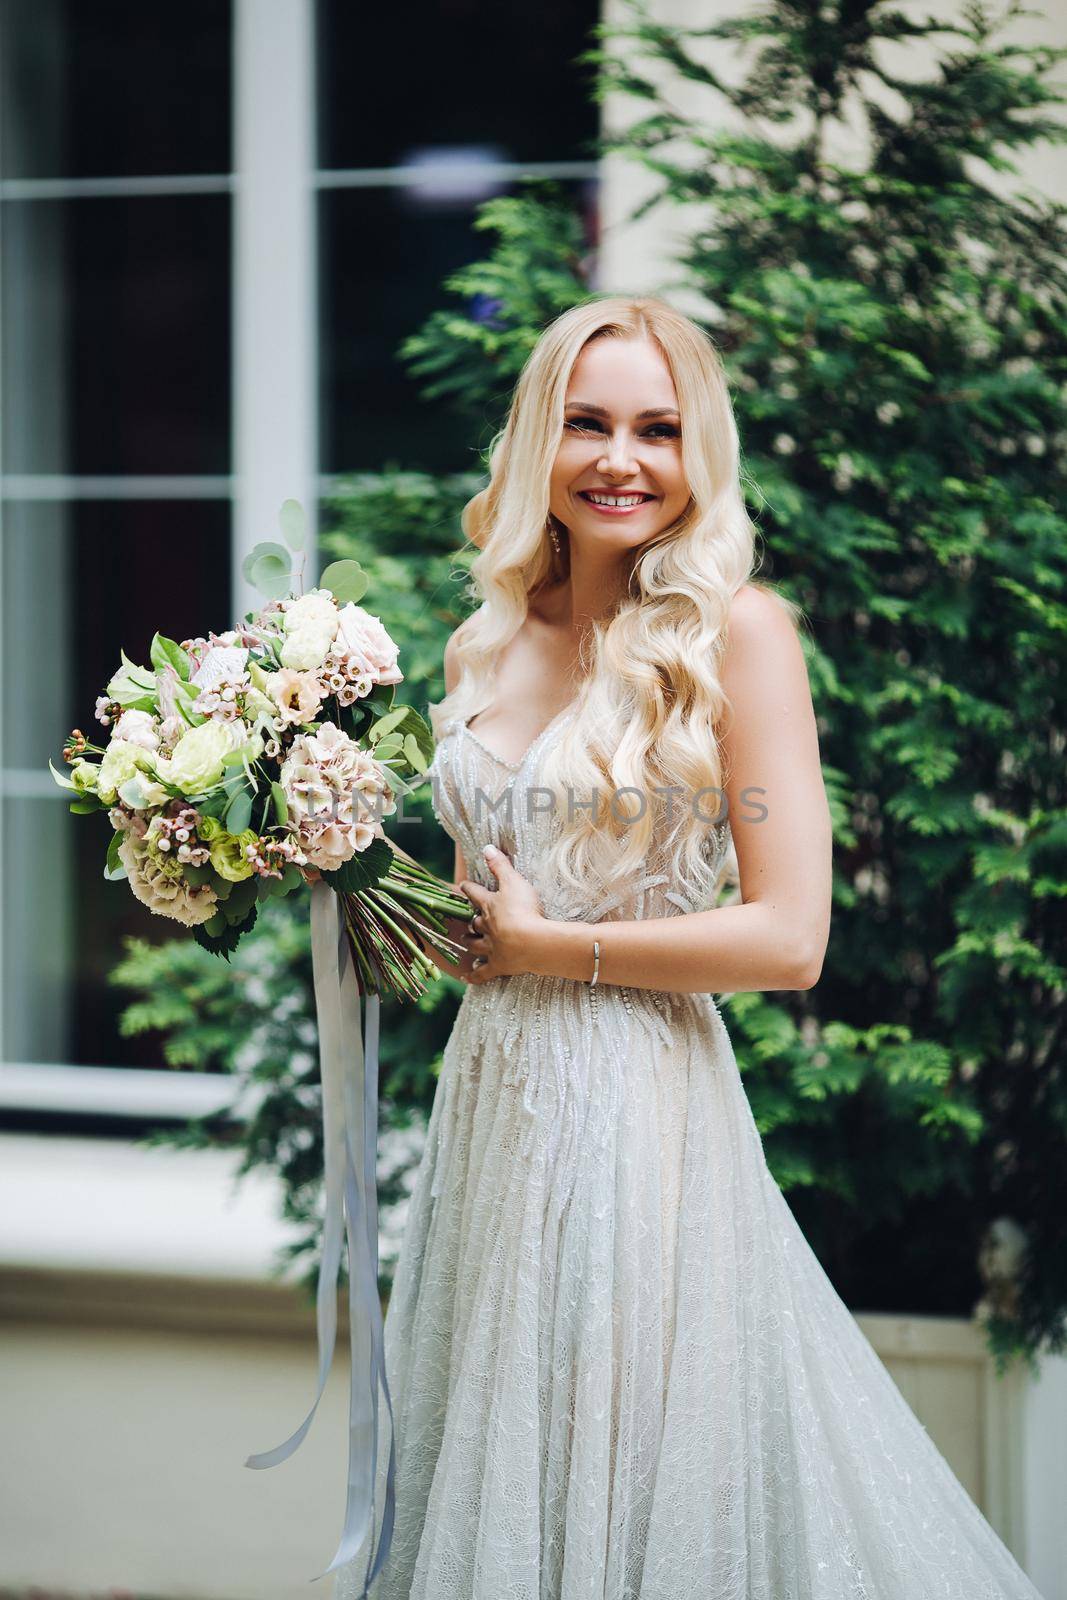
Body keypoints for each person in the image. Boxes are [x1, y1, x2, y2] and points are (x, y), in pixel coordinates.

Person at [334, 297, 1044, 1599]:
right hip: (494, 1099)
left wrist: (557, 949)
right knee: (502, 1452)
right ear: (539, 440)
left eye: (658, 430)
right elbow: (477, 914)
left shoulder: (737, 635)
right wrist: (335, 872)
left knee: (634, 1453)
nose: (621, 459)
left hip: (636, 1108)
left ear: (697, 451)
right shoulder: (485, 632)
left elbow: (790, 937)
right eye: (588, 423)